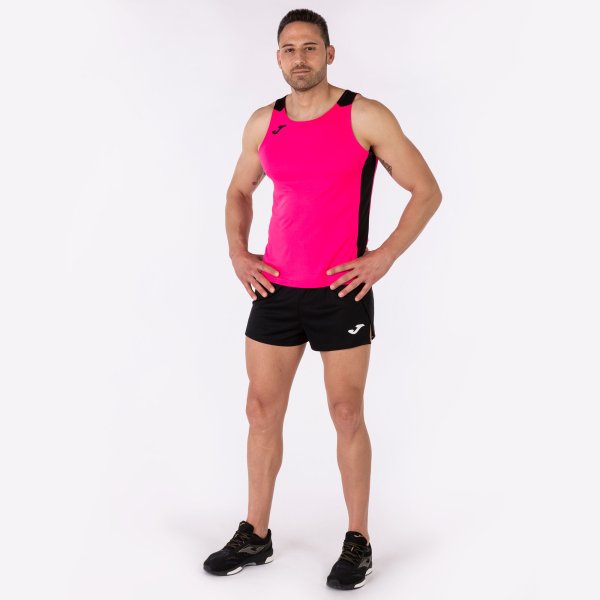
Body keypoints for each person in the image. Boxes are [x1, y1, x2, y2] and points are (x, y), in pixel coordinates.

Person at [203, 8, 442, 590]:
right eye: (289, 49)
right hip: (276, 288)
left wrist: (382, 257)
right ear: (278, 58)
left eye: (310, 48)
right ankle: (255, 533)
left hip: (341, 290)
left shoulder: (364, 115)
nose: (300, 58)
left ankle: (358, 539)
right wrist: (238, 253)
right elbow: (238, 190)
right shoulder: (264, 123)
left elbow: (426, 191)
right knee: (260, 410)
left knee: (345, 413)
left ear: (329, 54)